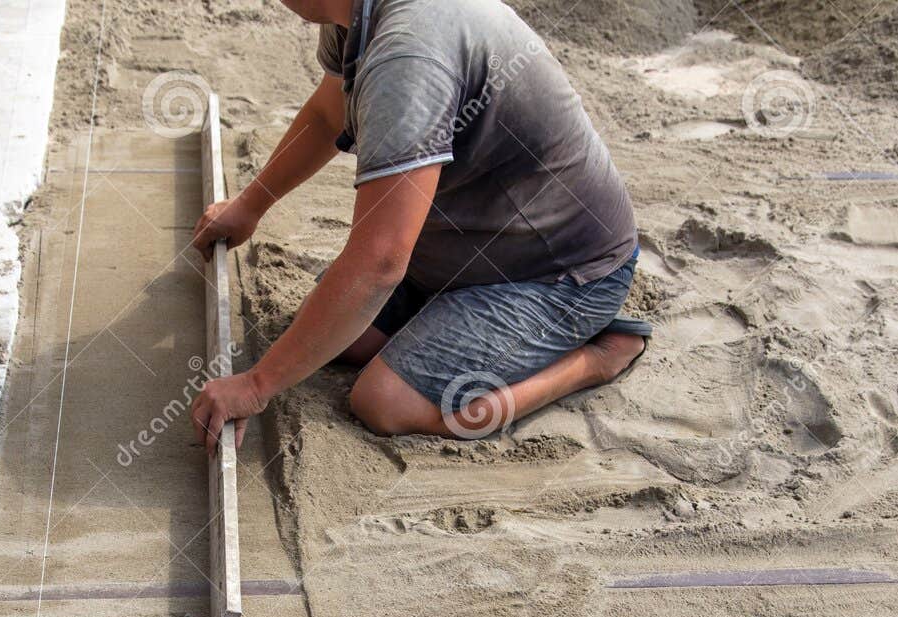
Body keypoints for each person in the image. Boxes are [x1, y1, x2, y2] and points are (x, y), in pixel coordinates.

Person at [190, 0, 650, 451]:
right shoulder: (352, 12)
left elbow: (382, 260)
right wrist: (251, 205)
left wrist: (255, 385)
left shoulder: (408, 55)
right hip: (475, 244)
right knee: (343, 339)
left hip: (560, 273)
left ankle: (597, 358)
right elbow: (330, 113)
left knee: (385, 400)